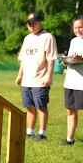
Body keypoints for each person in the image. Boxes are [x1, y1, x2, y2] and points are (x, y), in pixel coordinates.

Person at [15, 12, 58, 142]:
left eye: (34, 23)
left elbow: (51, 59)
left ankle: (42, 133)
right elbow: (23, 59)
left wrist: (49, 76)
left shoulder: (48, 37)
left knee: (41, 107)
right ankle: (30, 131)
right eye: (29, 23)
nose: (31, 25)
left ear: (39, 22)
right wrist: (19, 75)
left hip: (40, 79)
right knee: (29, 106)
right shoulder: (27, 38)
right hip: (27, 80)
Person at [60, 15, 83, 145]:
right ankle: (69, 139)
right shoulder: (73, 41)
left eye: (80, 27)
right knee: (70, 110)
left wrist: (80, 59)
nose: (78, 30)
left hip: (82, 83)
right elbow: (71, 58)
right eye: (75, 27)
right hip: (70, 81)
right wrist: (66, 61)